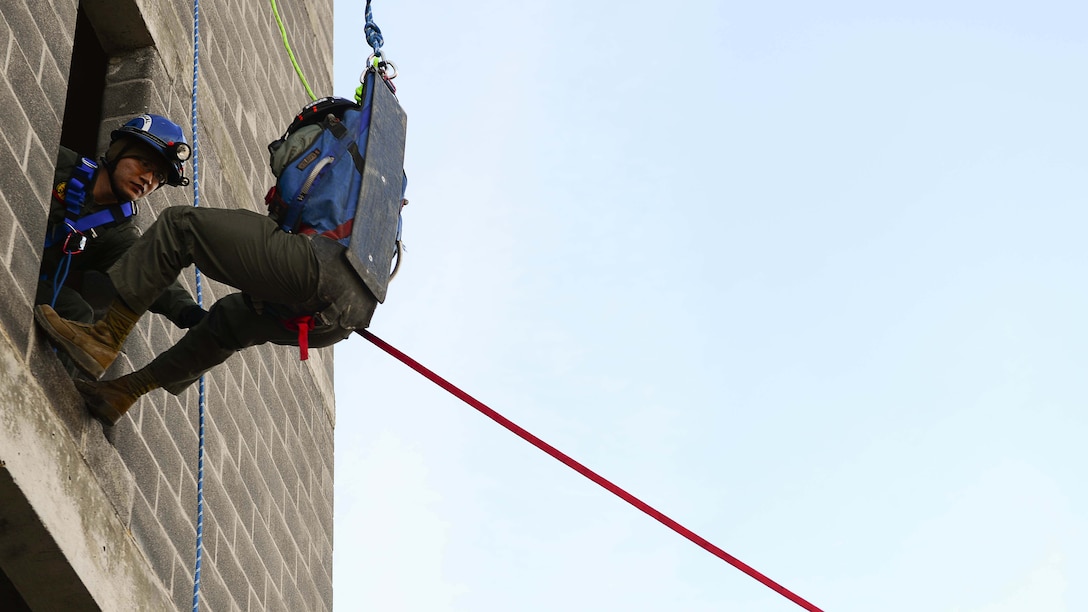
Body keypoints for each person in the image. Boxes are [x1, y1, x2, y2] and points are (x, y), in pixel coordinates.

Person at [33, 203, 379, 426]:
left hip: (319, 267)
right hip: (341, 321)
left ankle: (103, 337)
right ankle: (122, 393)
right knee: (230, 320)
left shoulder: (335, 134)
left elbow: (288, 195)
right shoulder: (379, 208)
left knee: (181, 226)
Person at [37, 114, 206, 335]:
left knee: (75, 311)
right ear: (119, 151)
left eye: (159, 177)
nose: (149, 179)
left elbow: (147, 272)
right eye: (145, 163)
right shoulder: (60, 162)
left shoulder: (117, 233)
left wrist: (190, 313)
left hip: (29, 278)